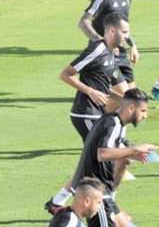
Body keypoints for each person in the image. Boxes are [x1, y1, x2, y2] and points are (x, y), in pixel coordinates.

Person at [45, 12, 128, 214]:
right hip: (86, 115)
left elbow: (98, 82)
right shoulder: (97, 50)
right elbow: (66, 74)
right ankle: (108, 208)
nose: (127, 36)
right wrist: (90, 91)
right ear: (111, 31)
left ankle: (58, 202)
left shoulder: (111, 52)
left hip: (96, 114)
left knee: (101, 161)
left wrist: (121, 99)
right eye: (124, 32)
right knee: (104, 160)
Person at [70, 88, 158, 227]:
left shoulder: (112, 120)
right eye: (143, 111)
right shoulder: (113, 124)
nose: (145, 116)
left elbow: (115, 148)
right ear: (131, 108)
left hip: (101, 191)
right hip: (94, 193)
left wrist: (132, 153)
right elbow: (102, 154)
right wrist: (136, 149)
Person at [79, 0, 140, 106]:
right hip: (106, 56)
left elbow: (123, 25)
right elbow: (83, 22)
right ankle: (98, 126)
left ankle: (107, 127)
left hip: (122, 55)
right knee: (126, 101)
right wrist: (102, 43)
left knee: (133, 100)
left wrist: (132, 45)